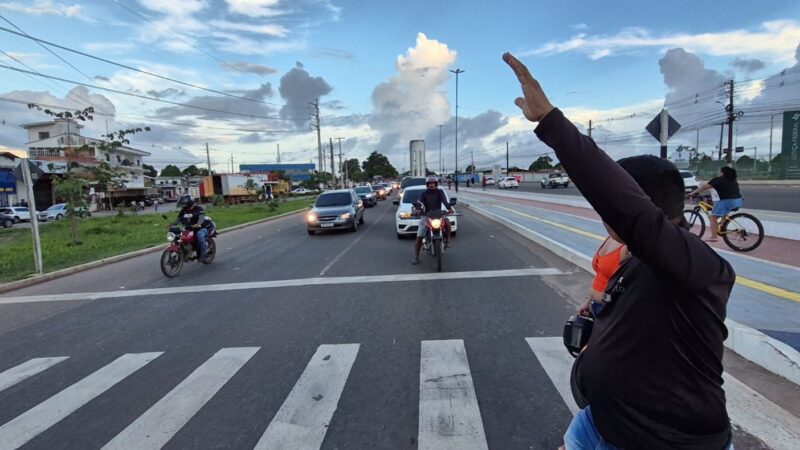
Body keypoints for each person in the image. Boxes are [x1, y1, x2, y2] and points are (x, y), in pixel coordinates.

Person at [504, 53, 734, 450]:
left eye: (610, 206)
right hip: (602, 420)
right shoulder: (637, 259)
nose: (603, 213)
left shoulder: (697, 265)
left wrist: (551, 123)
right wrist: (599, 315)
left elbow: (625, 206)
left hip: (660, 441)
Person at [579, 230, 628, 318]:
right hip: (595, 306)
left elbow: (626, 292)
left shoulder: (628, 249)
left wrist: (603, 299)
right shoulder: (611, 236)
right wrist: (589, 302)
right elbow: (600, 276)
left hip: (610, 312)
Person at [688, 167, 742, 242]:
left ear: (723, 172)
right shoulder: (733, 180)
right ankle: (723, 226)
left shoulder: (718, 179)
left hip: (726, 201)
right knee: (723, 211)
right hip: (738, 201)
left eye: (720, 171)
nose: (719, 173)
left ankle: (714, 237)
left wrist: (693, 193)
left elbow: (704, 187)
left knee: (713, 218)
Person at [412, 176, 454, 265]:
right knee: (419, 236)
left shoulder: (440, 192)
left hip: (438, 215)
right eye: (430, 183)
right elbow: (420, 203)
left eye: (433, 183)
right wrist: (418, 209)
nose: (432, 185)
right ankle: (416, 257)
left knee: (447, 223)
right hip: (426, 215)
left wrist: (449, 208)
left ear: (436, 184)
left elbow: (445, 202)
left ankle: (448, 241)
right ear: (427, 184)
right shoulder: (423, 194)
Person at [176, 194, 209, 261]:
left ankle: (203, 255)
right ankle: (186, 252)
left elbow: (201, 217)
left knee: (199, 235)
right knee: (178, 236)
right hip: (189, 229)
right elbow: (179, 219)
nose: (183, 205)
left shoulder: (198, 209)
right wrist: (172, 224)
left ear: (189, 203)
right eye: (182, 204)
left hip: (200, 229)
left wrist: (198, 224)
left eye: (184, 204)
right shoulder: (184, 210)